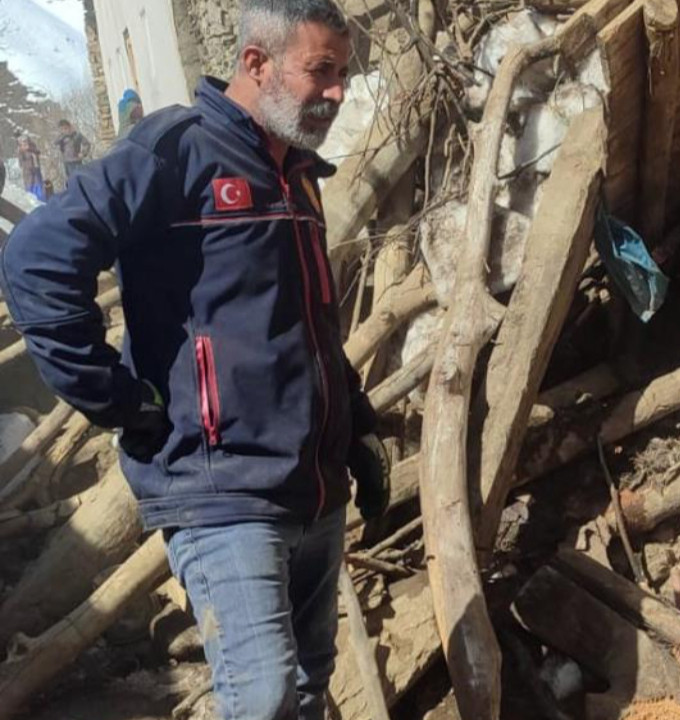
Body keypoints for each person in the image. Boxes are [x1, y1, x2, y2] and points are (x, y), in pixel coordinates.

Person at [0, 1, 390, 718]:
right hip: (223, 491)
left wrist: (357, 426)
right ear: (255, 63)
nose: (338, 91)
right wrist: (120, 401)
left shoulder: (297, 175)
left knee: (306, 688)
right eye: (321, 70)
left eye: (344, 72)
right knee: (263, 695)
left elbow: (311, 324)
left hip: (313, 486)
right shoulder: (176, 151)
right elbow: (35, 258)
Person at [55, 119, 90, 184]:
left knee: (78, 179)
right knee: (70, 181)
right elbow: (55, 143)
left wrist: (83, 153)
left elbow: (87, 144)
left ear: (70, 127)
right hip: (66, 162)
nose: (64, 130)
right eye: (62, 129)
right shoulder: (61, 138)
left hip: (76, 161)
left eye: (65, 128)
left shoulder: (77, 135)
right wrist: (62, 136)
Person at [16, 134, 45, 202]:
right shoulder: (20, 152)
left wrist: (30, 149)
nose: (24, 145)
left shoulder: (33, 148)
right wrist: (21, 152)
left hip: (35, 171)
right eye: (22, 143)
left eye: (25, 142)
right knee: (29, 188)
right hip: (27, 173)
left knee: (38, 187)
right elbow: (20, 164)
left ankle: (41, 199)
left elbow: (37, 153)